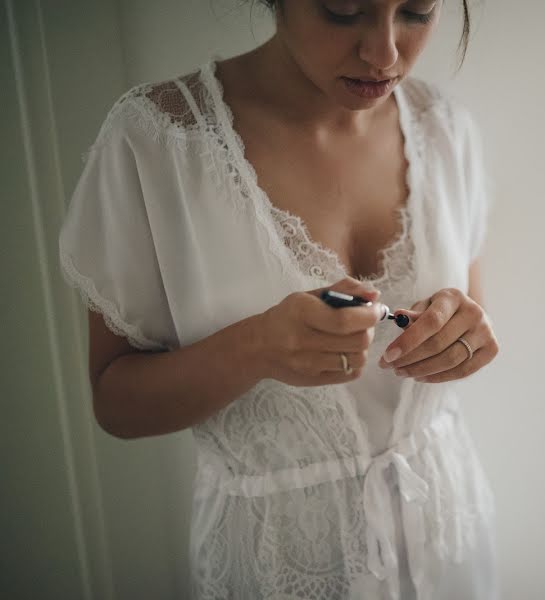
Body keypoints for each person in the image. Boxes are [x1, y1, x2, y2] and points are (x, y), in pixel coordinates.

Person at [57, 0, 499, 598]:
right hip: (276, 563)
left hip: (446, 531)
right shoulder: (158, 142)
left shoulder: (444, 126)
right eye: (344, 11)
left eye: (416, 11)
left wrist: (465, 337)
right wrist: (256, 347)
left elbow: (470, 313)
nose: (384, 53)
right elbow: (115, 404)